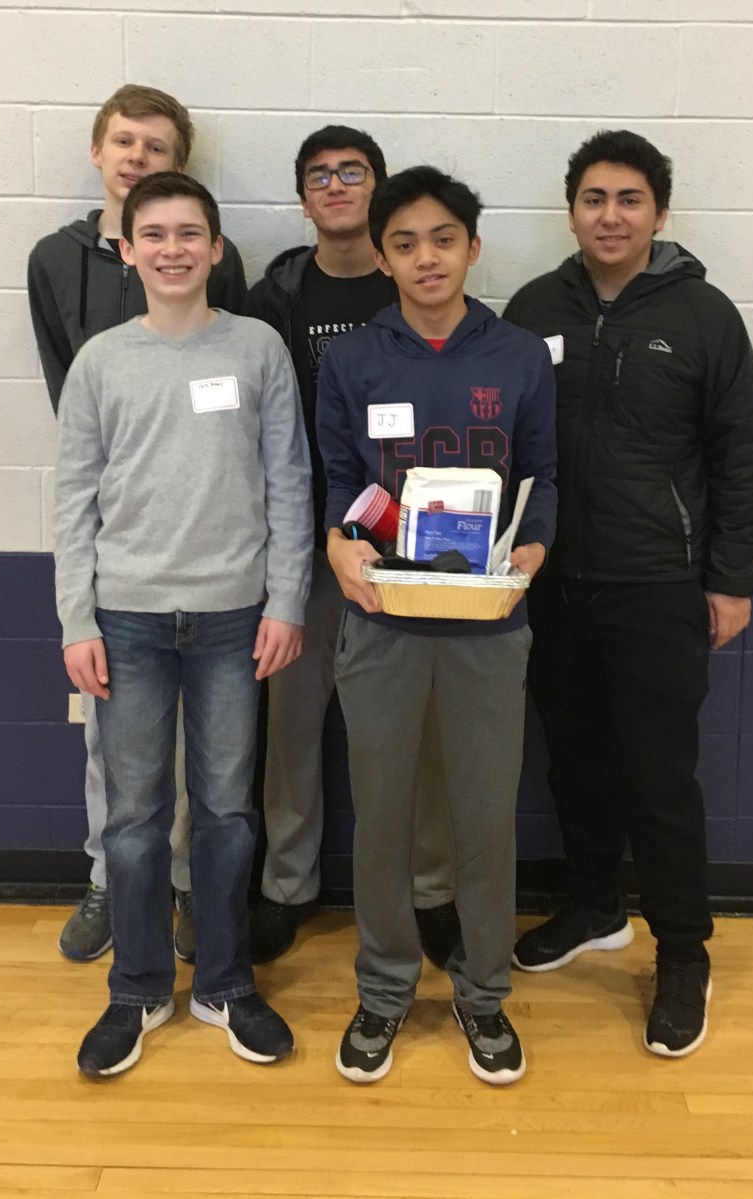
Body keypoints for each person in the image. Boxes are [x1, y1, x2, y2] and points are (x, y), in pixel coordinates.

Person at [504, 129, 753, 1058]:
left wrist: (732, 578)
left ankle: (683, 952)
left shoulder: (703, 315)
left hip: (658, 585)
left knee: (658, 779)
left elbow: (742, 454)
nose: (610, 216)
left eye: (629, 200)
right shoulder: (535, 307)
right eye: (594, 199)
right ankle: (593, 906)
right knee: (574, 762)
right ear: (570, 210)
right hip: (552, 584)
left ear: (659, 212)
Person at [53, 171, 311, 1077]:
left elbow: (289, 481)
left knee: (228, 810)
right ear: (128, 250)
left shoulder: (258, 348)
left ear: (216, 247)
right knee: (133, 817)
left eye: (189, 233)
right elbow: (72, 500)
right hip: (125, 618)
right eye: (154, 234)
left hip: (234, 618)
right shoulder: (100, 361)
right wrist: (76, 618)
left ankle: (225, 983)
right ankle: (137, 987)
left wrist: (286, 599)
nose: (173, 249)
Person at [317, 166, 557, 1086]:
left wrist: (533, 549)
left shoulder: (518, 354)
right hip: (383, 618)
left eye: (444, 239)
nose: (427, 258)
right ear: (382, 257)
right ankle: (383, 989)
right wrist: (339, 544)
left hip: (486, 624)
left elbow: (543, 473)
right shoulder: (353, 359)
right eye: (406, 243)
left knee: (484, 819)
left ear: (473, 248)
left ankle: (483, 993)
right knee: (381, 815)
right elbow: (341, 480)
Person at [28, 84, 247, 964]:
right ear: (98, 151)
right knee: (112, 742)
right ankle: (110, 882)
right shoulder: (55, 259)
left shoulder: (219, 269)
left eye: (157, 147)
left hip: (211, 558)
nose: (137, 158)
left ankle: (187, 885)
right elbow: (70, 403)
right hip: (121, 554)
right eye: (124, 141)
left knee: (209, 758)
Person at [245, 126, 460, 968]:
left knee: (419, 732)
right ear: (303, 199)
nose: (336, 185)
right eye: (319, 176)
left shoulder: (417, 285)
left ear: (377, 188)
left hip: (408, 552)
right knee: (292, 729)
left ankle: (430, 889)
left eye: (353, 172)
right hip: (303, 549)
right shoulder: (273, 300)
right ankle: (286, 885)